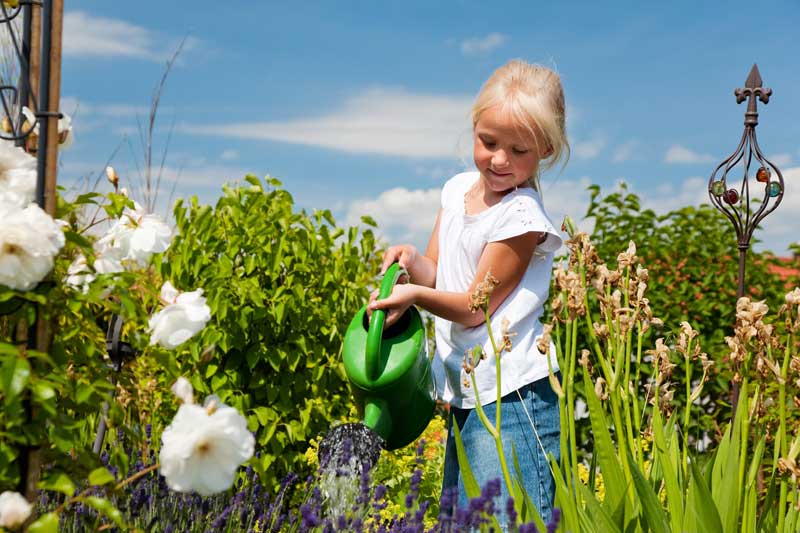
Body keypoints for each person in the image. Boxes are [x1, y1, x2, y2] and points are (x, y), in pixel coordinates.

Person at [367, 59, 568, 524]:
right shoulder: (456, 191)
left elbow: (473, 308)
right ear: (474, 127)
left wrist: (414, 296)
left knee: (510, 521)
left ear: (546, 149)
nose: (500, 160)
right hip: (468, 390)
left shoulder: (521, 218)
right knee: (465, 520)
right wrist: (411, 263)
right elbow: (438, 272)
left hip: (514, 395)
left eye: (519, 150)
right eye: (489, 142)